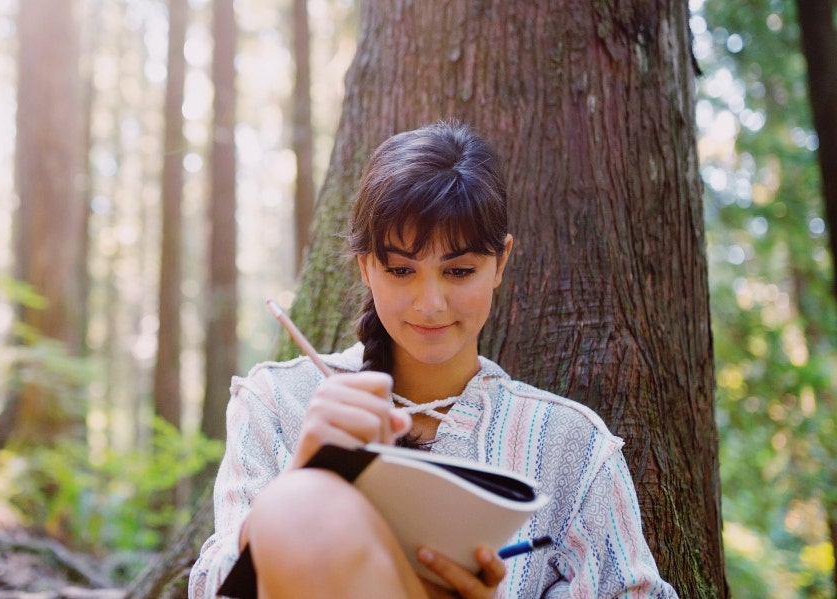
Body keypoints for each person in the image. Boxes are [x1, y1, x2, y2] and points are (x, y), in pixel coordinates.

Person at [188, 121, 678, 598]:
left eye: (459, 270)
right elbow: (212, 586)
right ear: (366, 268)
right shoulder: (278, 401)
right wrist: (300, 476)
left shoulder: (571, 444)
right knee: (302, 503)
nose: (430, 303)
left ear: (500, 264)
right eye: (401, 270)